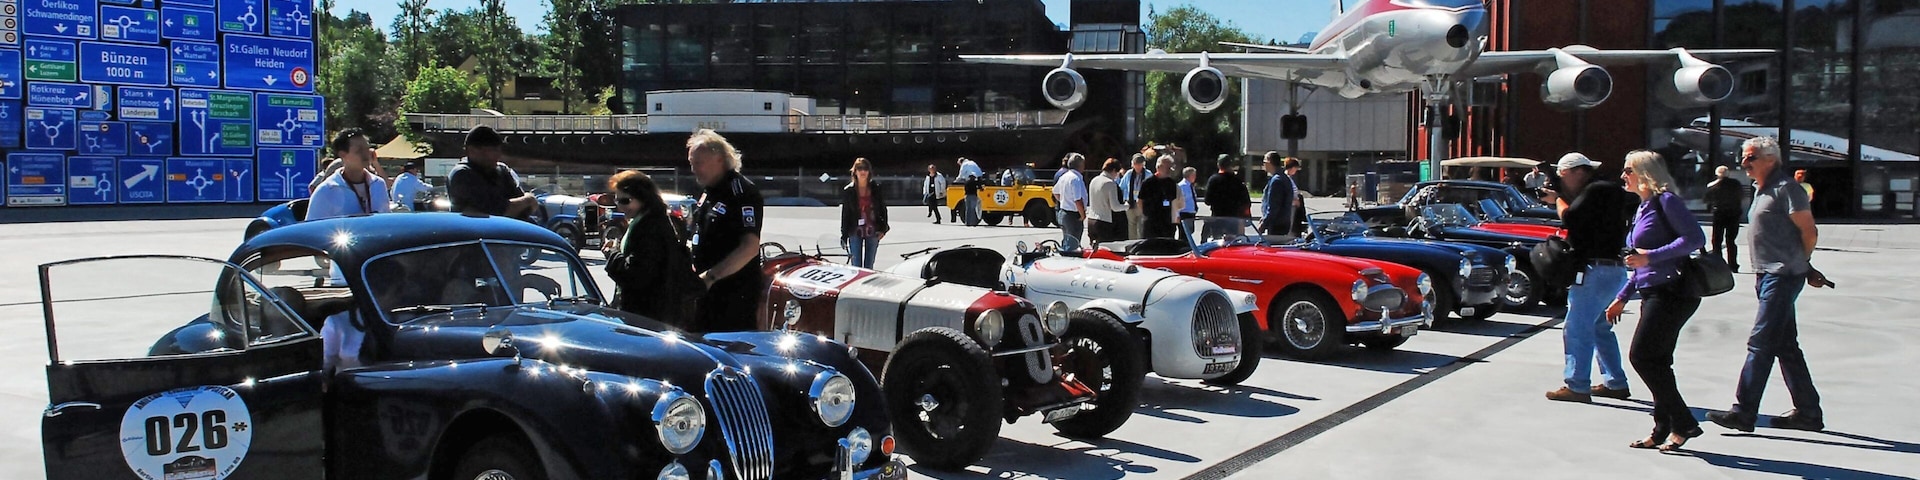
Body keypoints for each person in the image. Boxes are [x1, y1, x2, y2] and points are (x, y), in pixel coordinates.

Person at [1707, 136, 1827, 433]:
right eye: (1744, 158)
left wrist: (1802, 263)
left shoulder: (1787, 189)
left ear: (1770, 159)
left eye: (1751, 158)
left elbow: (1808, 232)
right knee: (1786, 346)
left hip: (1781, 276)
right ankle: (1809, 412)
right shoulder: (1763, 189)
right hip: (1768, 274)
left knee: (1759, 344)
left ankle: (1743, 412)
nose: (1744, 163)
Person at [1604, 150, 1708, 451]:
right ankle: (1662, 429)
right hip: (1652, 291)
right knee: (1659, 362)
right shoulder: (1642, 207)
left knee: (1642, 357)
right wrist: (1623, 297)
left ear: (1645, 173)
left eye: (1628, 170)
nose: (1623, 176)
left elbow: (1694, 239)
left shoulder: (1667, 201)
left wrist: (1652, 255)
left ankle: (1684, 422)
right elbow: (1638, 262)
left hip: (1673, 292)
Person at [1540, 152, 1636, 403]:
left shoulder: (1597, 190)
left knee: (1577, 328)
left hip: (1594, 270)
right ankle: (1615, 382)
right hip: (1612, 268)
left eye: (1563, 175)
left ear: (1578, 171)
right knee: (1599, 327)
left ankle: (1577, 384)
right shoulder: (1608, 190)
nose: (1560, 181)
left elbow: (1571, 217)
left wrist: (1558, 198)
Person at [307, 129, 391, 371]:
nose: (367, 154)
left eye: (368, 148)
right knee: (341, 329)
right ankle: (331, 372)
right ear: (343, 155)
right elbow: (312, 235)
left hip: (377, 271)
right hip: (343, 275)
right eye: (359, 150)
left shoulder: (377, 185)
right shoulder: (328, 190)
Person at [686, 129, 766, 333]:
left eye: (699, 163)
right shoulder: (709, 192)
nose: (694, 169)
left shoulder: (741, 192)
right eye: (691, 163)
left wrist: (711, 277)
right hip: (705, 294)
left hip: (732, 297)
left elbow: (750, 246)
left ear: (719, 160)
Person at [603, 170, 705, 327]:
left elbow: (635, 275)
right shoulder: (648, 221)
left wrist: (612, 253)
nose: (620, 206)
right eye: (617, 200)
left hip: (649, 317)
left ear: (643, 198)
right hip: (656, 314)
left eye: (625, 200)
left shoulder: (649, 227)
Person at [446, 126, 537, 219]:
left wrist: (522, 203)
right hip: (475, 231)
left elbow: (525, 209)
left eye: (498, 149)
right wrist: (528, 199)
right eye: (492, 150)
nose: (498, 154)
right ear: (472, 150)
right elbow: (497, 212)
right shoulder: (462, 174)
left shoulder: (501, 170)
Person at [840, 158, 890, 268]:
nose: (863, 172)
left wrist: (883, 229)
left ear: (869, 172)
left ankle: (867, 284)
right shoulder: (849, 190)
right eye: (860, 168)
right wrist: (844, 235)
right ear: (855, 171)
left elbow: (883, 209)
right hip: (854, 230)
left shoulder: (876, 188)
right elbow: (845, 213)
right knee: (856, 265)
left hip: (873, 230)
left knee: (869, 265)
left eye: (865, 169)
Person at [1704, 165, 1745, 271]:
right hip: (1734, 214)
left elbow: (1706, 199)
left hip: (1719, 214)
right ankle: (1733, 265)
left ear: (1717, 174)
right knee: (1731, 241)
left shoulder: (1714, 186)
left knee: (1717, 240)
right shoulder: (1736, 184)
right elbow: (1742, 196)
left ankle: (1718, 264)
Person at [1053, 153, 1089, 251]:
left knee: (1067, 242)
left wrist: (1064, 200)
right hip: (1073, 215)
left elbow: (1055, 192)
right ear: (1081, 165)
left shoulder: (1065, 176)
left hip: (1064, 212)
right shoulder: (1076, 179)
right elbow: (1077, 200)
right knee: (1073, 245)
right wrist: (1083, 215)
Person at [1139, 157, 1181, 239]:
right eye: (1167, 167)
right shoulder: (1148, 183)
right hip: (1151, 221)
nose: (1169, 170)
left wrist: (1175, 218)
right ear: (1158, 167)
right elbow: (1140, 200)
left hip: (1167, 222)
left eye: (1170, 167)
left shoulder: (1172, 183)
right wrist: (1145, 214)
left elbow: (1174, 202)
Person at [1260, 154, 1300, 236]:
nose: (1263, 165)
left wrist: (1264, 224)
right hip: (1283, 222)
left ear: (1269, 162)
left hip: (1276, 224)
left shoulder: (1277, 181)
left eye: (1264, 162)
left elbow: (1274, 206)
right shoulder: (1284, 178)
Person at [1087, 158, 1124, 244]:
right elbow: (1115, 207)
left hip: (1091, 220)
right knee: (1106, 250)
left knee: (1095, 251)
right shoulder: (1110, 183)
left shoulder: (1094, 180)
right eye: (1117, 173)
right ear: (1114, 170)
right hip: (1104, 222)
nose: (1117, 176)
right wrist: (1126, 206)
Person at [1119, 154, 1150, 239]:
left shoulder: (1148, 174)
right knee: (1131, 225)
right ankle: (1131, 244)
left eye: (1140, 164)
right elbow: (1121, 186)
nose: (1138, 166)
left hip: (1142, 203)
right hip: (1130, 203)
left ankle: (1140, 244)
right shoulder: (1129, 174)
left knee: (1141, 226)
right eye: (1136, 164)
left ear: (1143, 164)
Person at [955, 157, 985, 224]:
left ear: (961, 162)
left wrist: (956, 181)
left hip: (969, 194)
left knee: (969, 209)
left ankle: (968, 222)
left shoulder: (964, 165)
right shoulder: (972, 162)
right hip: (980, 177)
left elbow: (961, 175)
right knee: (974, 209)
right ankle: (973, 222)